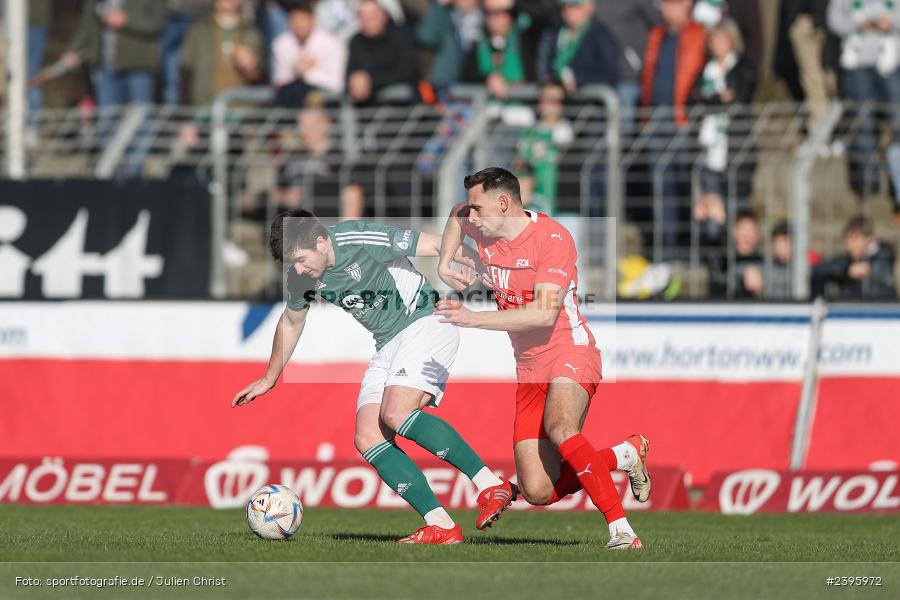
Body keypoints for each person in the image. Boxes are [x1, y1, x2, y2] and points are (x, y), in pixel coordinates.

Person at [232, 210, 516, 544]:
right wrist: (269, 378)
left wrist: (486, 273)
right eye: (291, 264)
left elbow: (439, 244)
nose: (298, 269)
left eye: (300, 259)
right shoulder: (303, 276)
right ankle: (441, 525)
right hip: (387, 345)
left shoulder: (360, 237)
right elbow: (292, 322)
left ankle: (489, 484)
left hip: (425, 322)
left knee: (396, 413)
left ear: (321, 241)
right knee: (368, 438)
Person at [435, 167, 650, 551]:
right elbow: (454, 214)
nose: (472, 215)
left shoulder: (552, 239)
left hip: (570, 349)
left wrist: (472, 318)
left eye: (478, 208)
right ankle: (622, 454)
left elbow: (542, 314)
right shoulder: (480, 225)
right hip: (528, 367)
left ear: (503, 204)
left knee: (561, 428)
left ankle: (622, 530)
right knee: (537, 490)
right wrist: (445, 261)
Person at [828, 0, 900, 215]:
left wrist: (891, 21)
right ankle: (869, 186)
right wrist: (858, 23)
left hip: (892, 60)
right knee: (862, 123)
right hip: (857, 61)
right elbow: (834, 19)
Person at [692, 18, 757, 243]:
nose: (715, 43)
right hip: (710, 155)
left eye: (720, 37)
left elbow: (738, 98)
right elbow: (694, 99)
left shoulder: (743, 67)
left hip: (736, 153)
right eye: (712, 38)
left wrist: (711, 100)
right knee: (712, 221)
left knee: (735, 218)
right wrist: (720, 98)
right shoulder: (705, 71)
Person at [62, 0, 167, 106]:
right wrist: (74, 49)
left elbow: (160, 22)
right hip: (104, 65)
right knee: (106, 119)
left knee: (139, 117)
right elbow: (87, 22)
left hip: (138, 65)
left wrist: (127, 20)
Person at [180, 0, 263, 105]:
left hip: (240, 111)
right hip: (204, 107)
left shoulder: (251, 33)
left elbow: (261, 81)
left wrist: (250, 69)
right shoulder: (198, 31)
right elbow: (185, 72)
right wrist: (186, 116)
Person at [272, 0, 347, 106]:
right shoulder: (281, 44)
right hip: (292, 103)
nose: (300, 25)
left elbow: (337, 84)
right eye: (295, 20)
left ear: (312, 20)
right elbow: (279, 82)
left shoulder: (331, 44)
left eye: (303, 19)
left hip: (325, 104)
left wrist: (308, 73)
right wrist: (298, 69)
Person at [345, 0, 420, 104]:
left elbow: (408, 72)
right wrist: (356, 82)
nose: (367, 20)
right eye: (363, 16)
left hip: (400, 103)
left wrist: (371, 82)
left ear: (385, 15)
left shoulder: (402, 36)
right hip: (365, 104)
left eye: (372, 16)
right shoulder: (356, 41)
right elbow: (351, 73)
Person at [537, 0, 619, 93]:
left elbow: (609, 76)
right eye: (565, 6)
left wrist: (578, 80)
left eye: (575, 5)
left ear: (590, 7)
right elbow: (545, 68)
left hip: (590, 100)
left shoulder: (601, 36)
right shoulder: (553, 34)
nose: (568, 10)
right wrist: (550, 83)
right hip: (560, 99)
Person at [812, 216, 897, 299]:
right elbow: (819, 270)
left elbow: (880, 277)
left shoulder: (884, 256)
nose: (849, 246)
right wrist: (846, 271)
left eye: (854, 239)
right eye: (847, 241)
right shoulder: (847, 260)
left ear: (870, 239)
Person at [416, 0, 483, 91]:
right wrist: (439, 4)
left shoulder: (489, 16)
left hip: (479, 85)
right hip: (445, 86)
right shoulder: (445, 14)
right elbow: (425, 37)